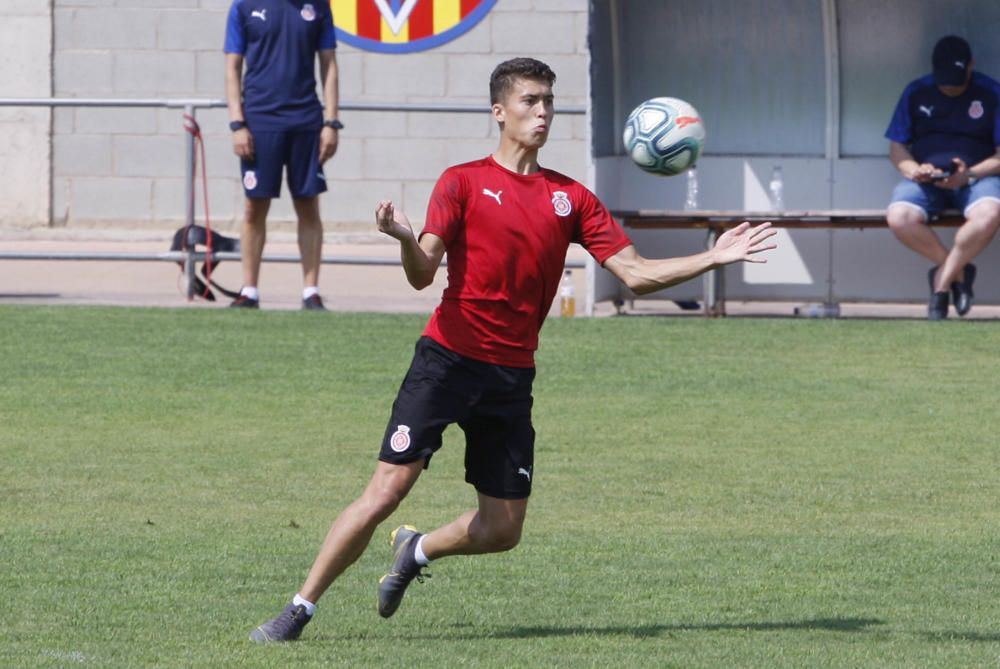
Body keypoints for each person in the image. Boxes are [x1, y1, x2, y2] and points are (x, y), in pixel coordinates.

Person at [247, 57, 776, 643]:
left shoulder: (570, 198)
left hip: (510, 378)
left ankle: (416, 552)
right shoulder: (462, 182)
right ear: (499, 111)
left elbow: (636, 273)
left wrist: (713, 257)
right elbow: (424, 273)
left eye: (549, 101)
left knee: (504, 530)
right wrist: (403, 238)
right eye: (530, 101)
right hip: (445, 362)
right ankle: (298, 610)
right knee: (385, 492)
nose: (543, 111)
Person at [223, 0, 342, 310]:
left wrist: (331, 122)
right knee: (254, 207)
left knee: (308, 205)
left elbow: (328, 64)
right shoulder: (244, 7)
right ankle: (249, 290)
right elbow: (232, 67)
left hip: (306, 120)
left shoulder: (318, 6)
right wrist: (237, 123)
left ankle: (310, 292)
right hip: (259, 120)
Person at [885, 35, 1000, 320]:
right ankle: (960, 274)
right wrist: (914, 170)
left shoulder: (992, 93)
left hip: (975, 178)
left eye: (957, 82)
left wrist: (969, 174)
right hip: (926, 178)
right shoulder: (916, 91)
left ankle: (941, 285)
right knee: (899, 217)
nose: (949, 89)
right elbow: (897, 147)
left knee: (990, 213)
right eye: (944, 82)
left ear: (971, 66)